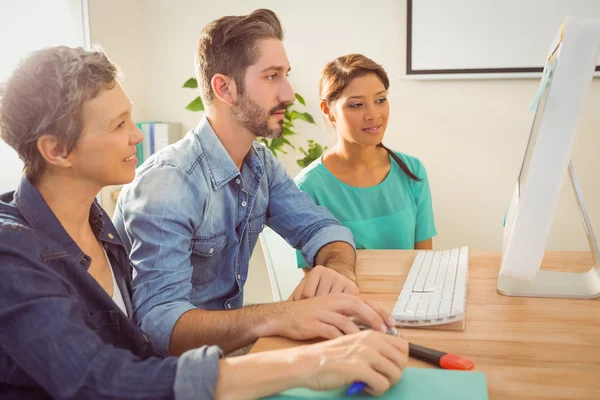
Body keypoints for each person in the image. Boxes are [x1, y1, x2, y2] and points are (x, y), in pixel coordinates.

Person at [0, 46, 409, 399]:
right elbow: (101, 381)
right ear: (56, 150)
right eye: (118, 125)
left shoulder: (95, 223)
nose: (137, 136)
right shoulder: (12, 252)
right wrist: (308, 362)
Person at [112, 9, 394, 358]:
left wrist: (337, 268)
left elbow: (324, 228)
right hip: (173, 380)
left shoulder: (259, 164)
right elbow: (160, 328)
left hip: (229, 360)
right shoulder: (169, 183)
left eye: (285, 75)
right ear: (224, 88)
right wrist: (281, 315)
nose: (289, 94)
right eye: (272, 76)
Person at [295, 54, 437, 269]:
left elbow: (425, 262)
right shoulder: (309, 187)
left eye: (380, 100)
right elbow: (313, 278)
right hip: (344, 301)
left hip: (410, 298)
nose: (373, 115)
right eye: (356, 105)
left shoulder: (412, 171)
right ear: (328, 111)